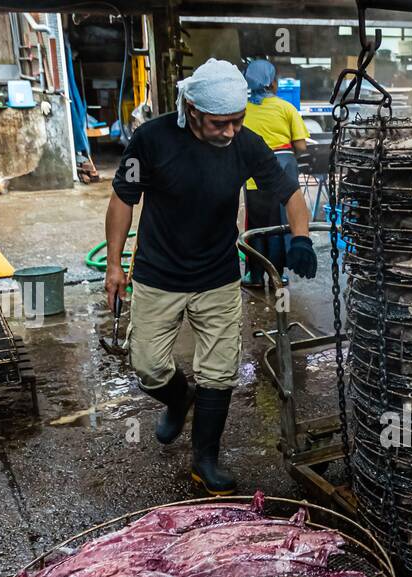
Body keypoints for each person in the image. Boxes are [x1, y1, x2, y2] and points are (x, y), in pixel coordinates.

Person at [105, 58, 318, 497]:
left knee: (219, 373)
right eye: (219, 123)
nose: (230, 131)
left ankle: (205, 460)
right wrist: (113, 265)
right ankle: (178, 398)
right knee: (148, 366)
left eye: (237, 121)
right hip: (157, 274)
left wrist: (302, 238)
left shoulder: (245, 144)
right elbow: (122, 201)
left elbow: (290, 192)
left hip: (218, 274)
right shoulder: (151, 139)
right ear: (191, 109)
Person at [240, 59, 310, 287]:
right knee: (281, 223)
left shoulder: (242, 110)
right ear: (272, 82)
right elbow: (300, 146)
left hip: (253, 176)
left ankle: (256, 275)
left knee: (257, 226)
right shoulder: (286, 108)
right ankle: (278, 274)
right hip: (283, 170)